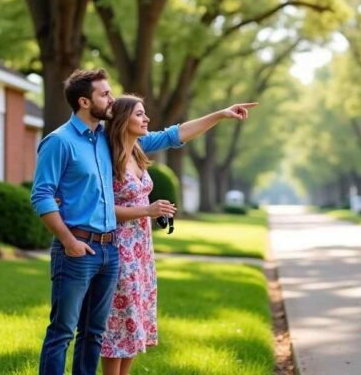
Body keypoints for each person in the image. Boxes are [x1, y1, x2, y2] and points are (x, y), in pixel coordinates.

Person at [31, 69, 188, 375]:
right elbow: (42, 195)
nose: (112, 99)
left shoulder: (105, 141)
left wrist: (221, 114)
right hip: (77, 248)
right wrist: (68, 241)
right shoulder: (59, 141)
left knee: (94, 334)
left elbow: (169, 136)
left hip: (110, 250)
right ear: (84, 102)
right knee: (62, 331)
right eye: (105, 94)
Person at [100, 94, 257, 375]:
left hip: (141, 251)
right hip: (118, 249)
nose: (146, 119)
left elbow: (177, 134)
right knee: (118, 322)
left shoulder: (138, 148)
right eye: (139, 114)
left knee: (135, 319)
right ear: (123, 119)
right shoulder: (105, 155)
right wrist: (146, 210)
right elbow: (100, 208)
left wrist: (221, 114)